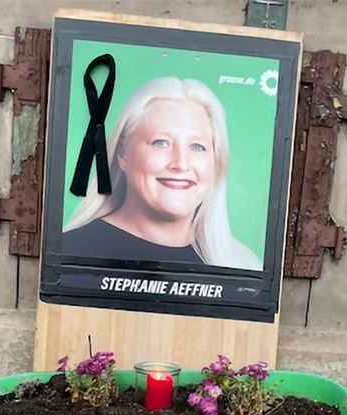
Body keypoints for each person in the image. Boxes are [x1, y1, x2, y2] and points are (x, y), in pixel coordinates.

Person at [62, 77, 263, 271]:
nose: (181, 163)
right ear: (122, 154)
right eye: (161, 143)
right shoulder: (68, 253)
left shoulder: (243, 266)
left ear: (216, 161)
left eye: (197, 146)